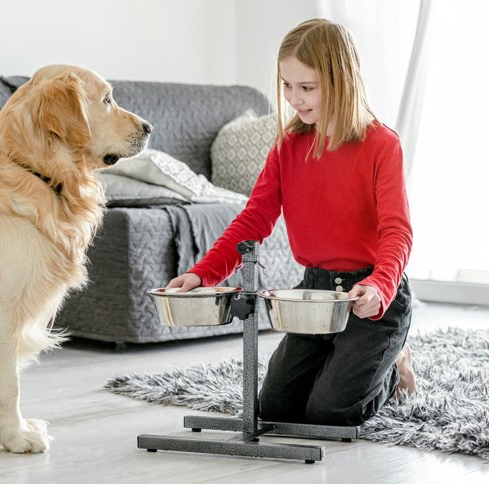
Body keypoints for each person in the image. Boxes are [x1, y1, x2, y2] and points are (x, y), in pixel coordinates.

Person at [167, 18, 416, 426]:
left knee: (330, 413)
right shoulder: (288, 146)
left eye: (307, 87)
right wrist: (203, 274)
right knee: (276, 410)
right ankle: (350, 364)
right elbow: (253, 220)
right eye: (287, 85)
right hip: (314, 296)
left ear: (342, 80)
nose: (293, 98)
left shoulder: (382, 144)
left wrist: (380, 285)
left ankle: (392, 368)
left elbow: (397, 231)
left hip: (372, 299)